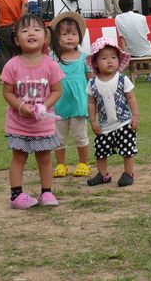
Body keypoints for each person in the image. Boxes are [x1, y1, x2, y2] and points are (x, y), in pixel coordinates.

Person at [1, 14, 64, 209]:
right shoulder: (12, 65)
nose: (31, 33)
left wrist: (44, 106)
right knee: (19, 157)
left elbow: (57, 91)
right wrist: (20, 106)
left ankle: (46, 193)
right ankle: (16, 195)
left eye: (36, 30)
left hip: (42, 124)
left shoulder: (50, 65)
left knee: (45, 158)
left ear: (45, 37)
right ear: (16, 40)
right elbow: (8, 93)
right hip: (19, 124)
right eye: (25, 30)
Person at [85, 37, 139, 188]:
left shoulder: (122, 79)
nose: (110, 61)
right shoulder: (93, 83)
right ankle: (103, 174)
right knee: (101, 151)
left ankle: (128, 173)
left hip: (124, 123)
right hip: (103, 126)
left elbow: (131, 98)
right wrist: (93, 121)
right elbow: (91, 103)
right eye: (104, 58)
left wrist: (135, 116)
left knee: (127, 149)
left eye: (114, 57)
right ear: (95, 62)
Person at [48, 11, 92, 178]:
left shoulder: (84, 58)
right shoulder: (52, 59)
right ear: (56, 37)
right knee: (58, 138)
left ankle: (84, 163)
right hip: (58, 105)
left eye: (74, 34)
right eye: (65, 34)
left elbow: (91, 81)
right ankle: (61, 165)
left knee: (81, 136)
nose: (70, 38)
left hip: (79, 104)